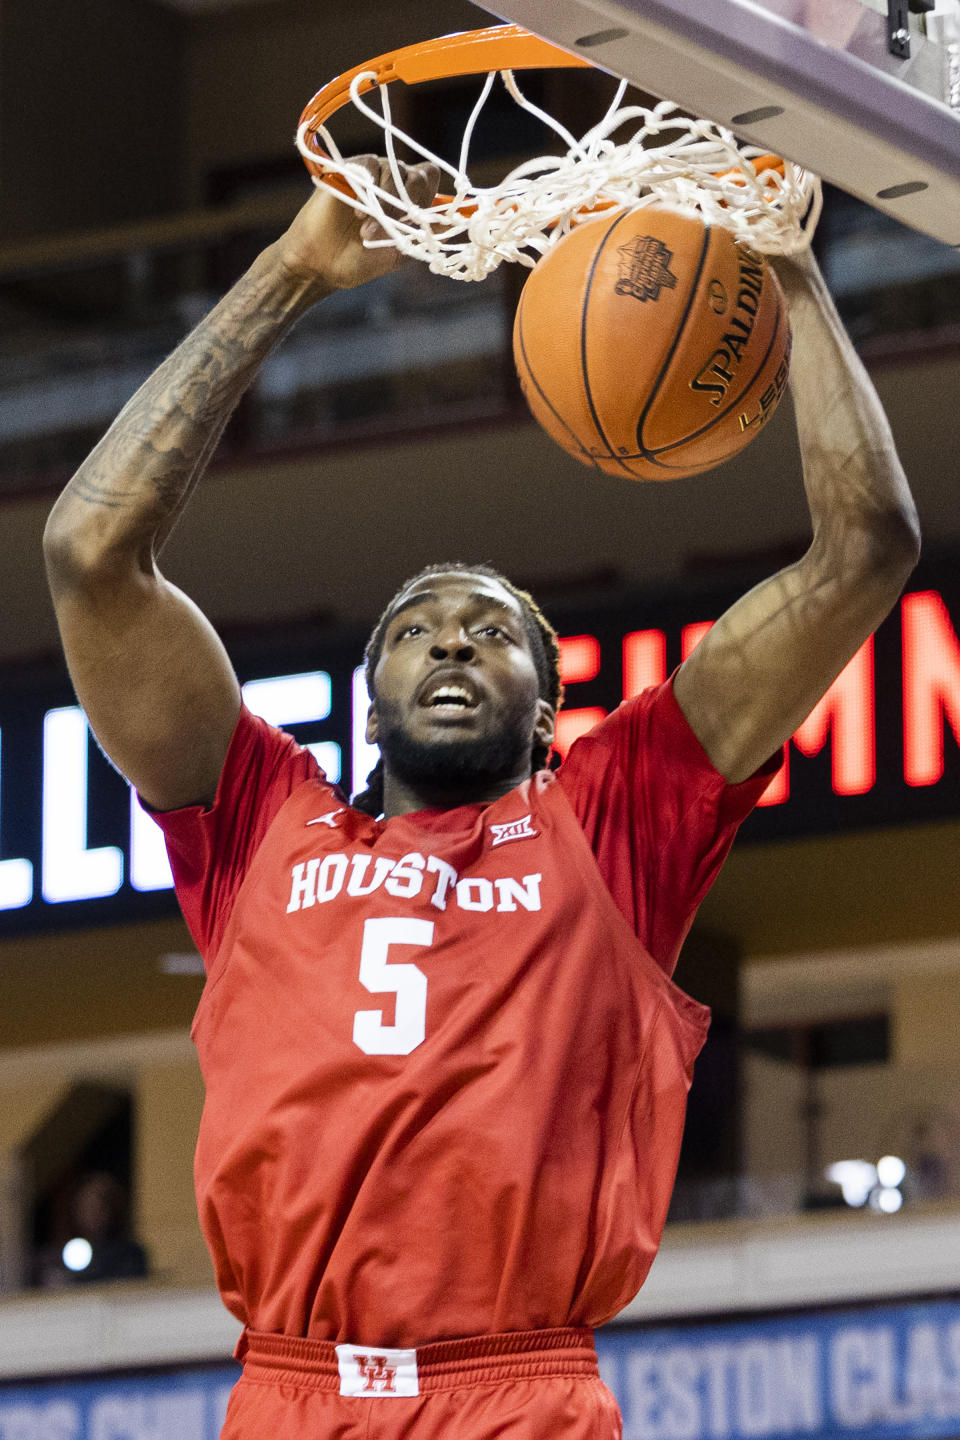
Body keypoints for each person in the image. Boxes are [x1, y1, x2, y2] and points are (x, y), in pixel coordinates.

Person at [42, 159, 919, 1439]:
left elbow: (866, 550)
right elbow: (88, 553)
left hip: (518, 1396)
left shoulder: (615, 821)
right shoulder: (255, 823)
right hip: (285, 1391)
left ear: (552, 709)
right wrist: (291, 274)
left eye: (492, 631)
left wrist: (788, 268)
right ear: (369, 692)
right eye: (416, 629)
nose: (452, 643)